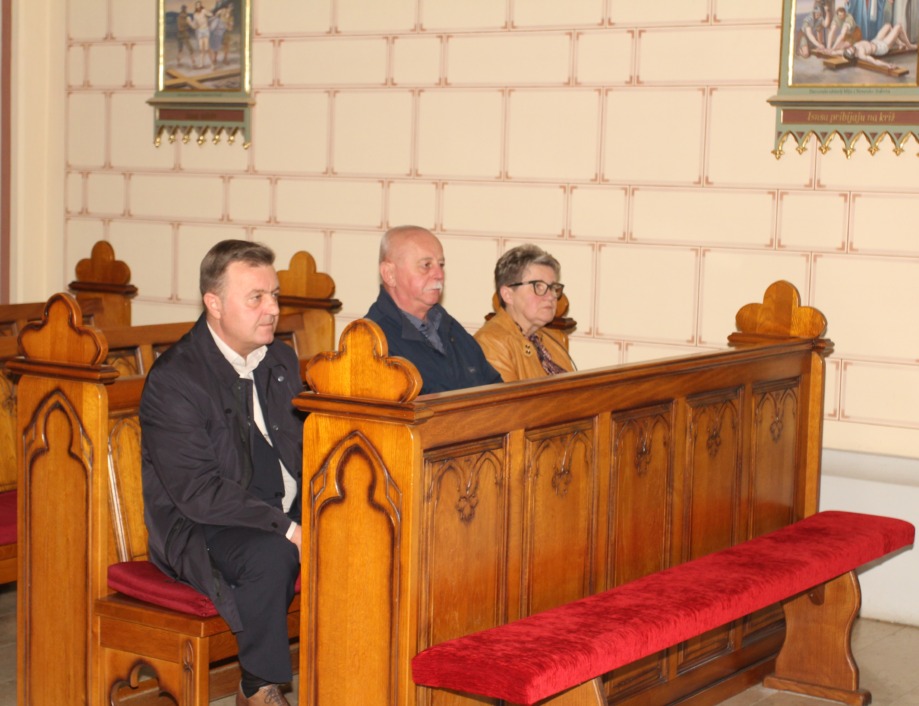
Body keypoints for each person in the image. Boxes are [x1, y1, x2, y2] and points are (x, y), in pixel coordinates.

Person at [140, 240, 303, 706]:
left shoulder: (280, 360)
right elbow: (198, 491)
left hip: (278, 509)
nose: (273, 309)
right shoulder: (176, 379)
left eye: (274, 295)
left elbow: (305, 448)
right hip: (203, 523)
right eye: (256, 298)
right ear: (214, 303)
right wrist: (290, 529)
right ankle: (258, 686)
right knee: (271, 556)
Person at [365, 225, 503, 394]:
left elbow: (497, 393)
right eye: (426, 265)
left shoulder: (450, 327)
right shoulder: (371, 342)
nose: (439, 274)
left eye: (441, 264)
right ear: (389, 274)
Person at [474, 244, 576, 382]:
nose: (551, 296)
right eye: (538, 286)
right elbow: (511, 397)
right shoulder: (490, 343)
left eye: (552, 287)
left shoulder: (553, 338)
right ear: (508, 295)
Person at [840, 21, 917, 69]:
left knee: (887, 25)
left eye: (849, 49)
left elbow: (838, 52)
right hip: (881, 47)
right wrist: (887, 65)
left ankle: (900, 44)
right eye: (851, 51)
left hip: (875, 41)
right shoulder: (861, 55)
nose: (851, 48)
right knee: (898, 26)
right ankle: (909, 46)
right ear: (853, 55)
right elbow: (874, 61)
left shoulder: (853, 46)